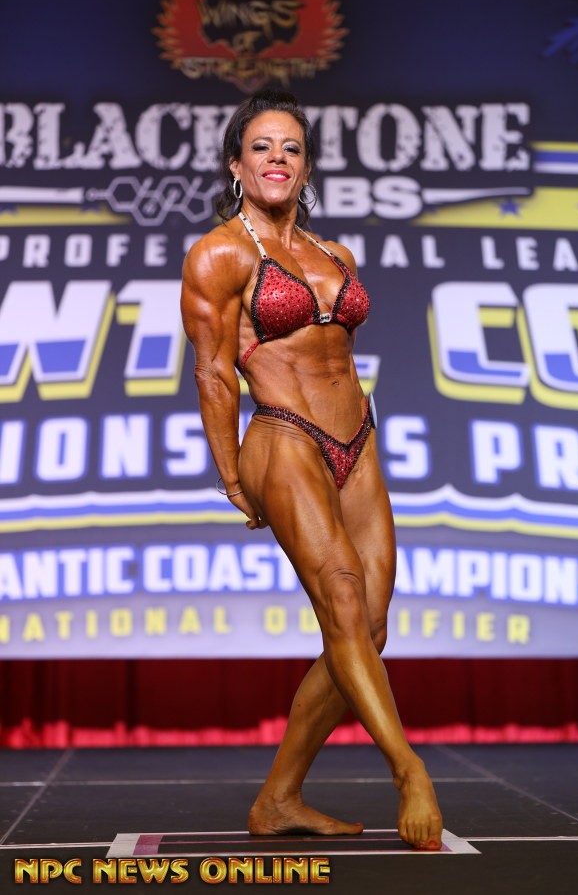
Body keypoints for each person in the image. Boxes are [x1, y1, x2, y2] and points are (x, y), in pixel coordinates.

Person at [181, 89, 443, 851]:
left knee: (369, 625)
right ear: (237, 165)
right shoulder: (219, 254)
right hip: (282, 435)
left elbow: (340, 356)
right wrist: (233, 476)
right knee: (341, 596)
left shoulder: (335, 257)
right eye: (261, 147)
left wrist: (356, 438)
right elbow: (213, 373)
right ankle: (408, 769)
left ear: (306, 166)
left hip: (355, 438)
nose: (277, 159)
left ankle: (279, 798)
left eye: (291, 148)